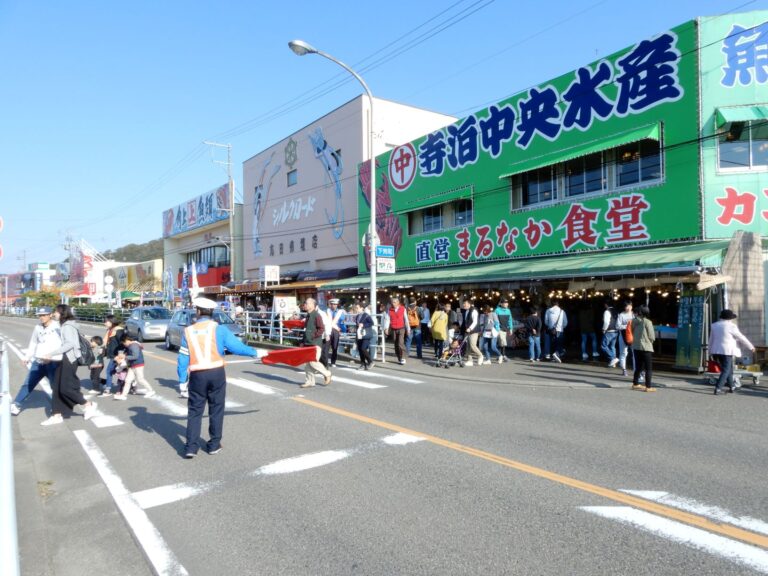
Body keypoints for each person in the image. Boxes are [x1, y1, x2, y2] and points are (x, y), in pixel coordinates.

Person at [177, 297, 261, 458]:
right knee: (216, 408)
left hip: (197, 375)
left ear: (198, 311)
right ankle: (214, 444)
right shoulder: (219, 329)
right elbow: (236, 347)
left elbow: (183, 358)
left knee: (195, 411)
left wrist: (182, 381)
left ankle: (191, 447)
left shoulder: (188, 331)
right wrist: (255, 352)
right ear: (212, 312)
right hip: (216, 373)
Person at [40, 304, 98, 426]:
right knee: (56, 386)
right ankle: (56, 415)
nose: (54, 314)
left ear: (61, 313)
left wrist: (51, 354)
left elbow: (70, 344)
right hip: (63, 358)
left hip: (69, 359)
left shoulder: (68, 326)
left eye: (55, 312)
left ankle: (88, 405)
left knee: (65, 388)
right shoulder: (64, 325)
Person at [10, 307, 62, 416]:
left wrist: (56, 356)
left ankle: (58, 408)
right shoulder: (37, 327)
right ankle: (16, 404)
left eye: (44, 315)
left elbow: (64, 344)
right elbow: (33, 343)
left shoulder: (58, 326)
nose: (41, 317)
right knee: (28, 384)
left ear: (50, 315)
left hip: (52, 362)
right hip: (38, 362)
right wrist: (27, 357)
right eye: (40, 315)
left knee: (55, 386)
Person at [710, 309, 755, 395]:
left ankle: (732, 387)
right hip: (727, 351)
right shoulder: (731, 326)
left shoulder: (714, 325)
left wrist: (710, 350)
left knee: (729, 369)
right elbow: (741, 337)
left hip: (716, 350)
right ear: (730, 318)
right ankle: (718, 388)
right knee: (726, 370)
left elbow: (711, 339)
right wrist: (750, 346)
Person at [299, 298, 333, 388]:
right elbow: (306, 330)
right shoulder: (308, 315)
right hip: (307, 343)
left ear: (312, 305)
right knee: (307, 364)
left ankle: (327, 373)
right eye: (305, 303)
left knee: (313, 362)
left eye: (306, 303)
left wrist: (313, 336)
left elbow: (321, 328)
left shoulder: (316, 315)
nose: (305, 304)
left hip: (315, 343)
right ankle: (310, 381)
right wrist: (303, 341)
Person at [115, 333, 156, 399]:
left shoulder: (134, 345)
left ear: (127, 340)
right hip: (133, 365)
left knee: (140, 379)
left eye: (123, 342)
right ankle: (123, 395)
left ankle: (151, 390)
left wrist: (125, 356)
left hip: (138, 364)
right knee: (128, 380)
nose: (124, 344)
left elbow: (135, 356)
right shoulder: (131, 345)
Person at [631, 305, 656, 392]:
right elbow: (652, 336)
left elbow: (632, 331)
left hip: (636, 346)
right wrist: (650, 342)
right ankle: (648, 386)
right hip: (646, 347)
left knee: (638, 367)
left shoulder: (633, 321)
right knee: (648, 368)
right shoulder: (647, 322)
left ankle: (635, 383)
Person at [102, 315, 125, 396]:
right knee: (118, 371)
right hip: (113, 355)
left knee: (110, 371)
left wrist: (120, 355)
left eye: (106, 321)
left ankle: (108, 388)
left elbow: (122, 343)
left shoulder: (118, 330)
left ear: (111, 321)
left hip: (117, 355)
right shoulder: (110, 330)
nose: (104, 323)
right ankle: (130, 386)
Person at [383, 297, 410, 365]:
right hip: (393, 328)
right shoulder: (390, 310)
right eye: (392, 302)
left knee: (400, 343)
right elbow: (388, 319)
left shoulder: (403, 308)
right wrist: (386, 328)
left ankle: (403, 357)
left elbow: (406, 319)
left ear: (398, 302)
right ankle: (399, 357)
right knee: (395, 344)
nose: (393, 303)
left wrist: (408, 329)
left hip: (401, 328)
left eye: (394, 302)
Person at [459, 299, 483, 366]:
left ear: (469, 304)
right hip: (467, 331)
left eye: (465, 303)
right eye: (463, 303)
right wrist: (462, 330)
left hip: (474, 331)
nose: (464, 305)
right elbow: (464, 322)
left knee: (472, 345)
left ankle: (480, 355)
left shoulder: (474, 311)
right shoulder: (465, 311)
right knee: (468, 346)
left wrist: (470, 328)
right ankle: (469, 361)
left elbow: (475, 321)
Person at [616, 301, 635, 377]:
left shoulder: (634, 314)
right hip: (623, 336)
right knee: (623, 352)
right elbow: (617, 326)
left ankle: (636, 370)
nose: (627, 308)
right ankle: (624, 369)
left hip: (633, 336)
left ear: (631, 306)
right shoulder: (621, 315)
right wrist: (627, 327)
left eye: (628, 306)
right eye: (625, 306)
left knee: (634, 353)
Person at [353, 303, 374, 371]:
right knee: (360, 349)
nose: (356, 309)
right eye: (356, 308)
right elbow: (357, 325)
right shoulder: (357, 316)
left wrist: (364, 325)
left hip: (366, 334)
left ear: (362, 308)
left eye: (357, 308)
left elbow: (371, 323)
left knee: (363, 348)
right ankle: (363, 364)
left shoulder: (366, 315)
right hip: (359, 335)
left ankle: (370, 361)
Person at [325, 298, 346, 367]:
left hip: (336, 330)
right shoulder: (327, 311)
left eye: (335, 304)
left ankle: (333, 362)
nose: (334, 305)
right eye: (332, 304)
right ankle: (325, 361)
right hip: (328, 330)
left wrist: (342, 330)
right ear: (330, 305)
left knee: (335, 347)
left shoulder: (340, 312)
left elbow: (342, 322)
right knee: (326, 347)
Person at [601, 301, 620, 368]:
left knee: (603, 346)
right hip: (616, 330)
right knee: (612, 346)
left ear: (606, 304)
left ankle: (613, 358)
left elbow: (606, 322)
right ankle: (613, 362)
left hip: (609, 331)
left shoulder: (607, 311)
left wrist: (604, 329)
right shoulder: (616, 311)